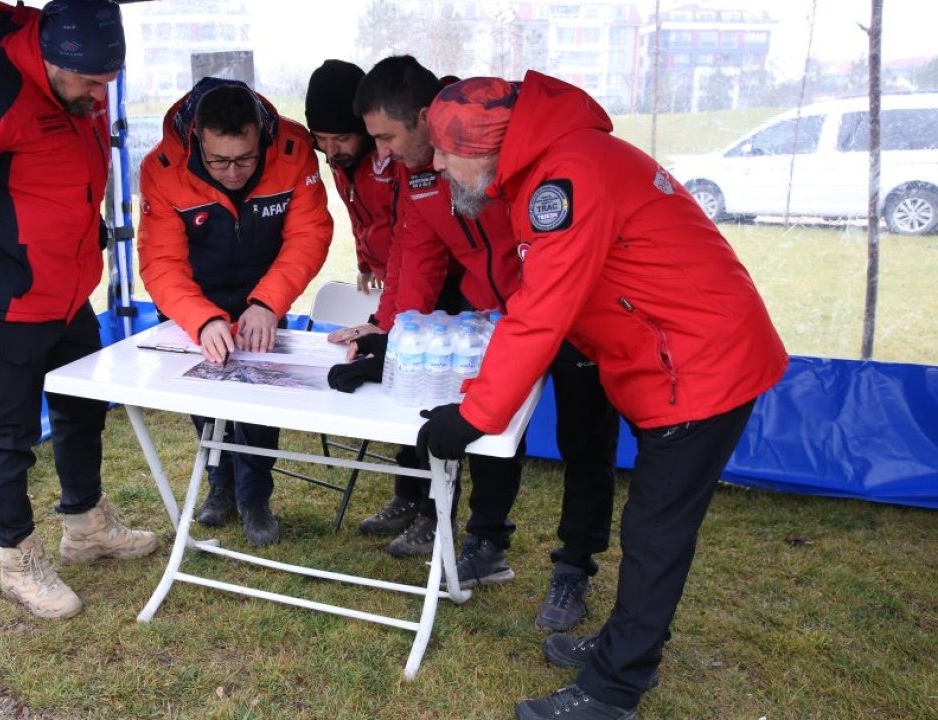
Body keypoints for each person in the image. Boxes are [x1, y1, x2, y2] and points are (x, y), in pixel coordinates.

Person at [419, 74, 788, 719]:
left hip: (699, 366)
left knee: (654, 534)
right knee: (653, 526)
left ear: (490, 145)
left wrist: (475, 415)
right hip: (682, 355)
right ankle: (624, 644)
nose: (438, 163)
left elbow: (542, 312)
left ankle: (613, 691)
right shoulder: (560, 162)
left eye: (449, 150)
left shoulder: (566, 180)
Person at [333, 57, 621, 620]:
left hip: (571, 315)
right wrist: (389, 332)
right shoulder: (417, 172)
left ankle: (574, 570)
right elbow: (415, 253)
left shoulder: (491, 144)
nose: (382, 154)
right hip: (490, 318)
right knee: (488, 430)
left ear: (424, 118)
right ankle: (487, 543)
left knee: (585, 441)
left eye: (388, 137)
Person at [0, 0, 157, 621]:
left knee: (81, 411)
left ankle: (85, 524)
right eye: (91, 83)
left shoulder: (81, 92)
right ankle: (17, 559)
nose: (102, 97)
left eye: (108, 83)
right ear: (51, 58)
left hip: (69, 294)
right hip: (2, 304)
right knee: (10, 434)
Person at [137, 77, 334, 547]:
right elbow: (161, 262)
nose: (233, 172)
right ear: (195, 140)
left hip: (264, 293)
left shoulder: (292, 148)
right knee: (204, 399)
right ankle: (219, 486)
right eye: (219, 160)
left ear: (262, 136)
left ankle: (255, 496)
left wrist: (267, 303)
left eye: (245, 159)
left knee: (260, 403)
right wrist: (202, 320)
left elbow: (309, 234)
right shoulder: (161, 167)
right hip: (197, 299)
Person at [303, 59, 394, 296]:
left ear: (364, 128)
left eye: (342, 138)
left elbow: (411, 232)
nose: (330, 150)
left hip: (425, 277)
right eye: (320, 139)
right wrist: (367, 262)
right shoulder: (342, 161)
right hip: (391, 277)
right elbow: (359, 217)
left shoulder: (394, 157)